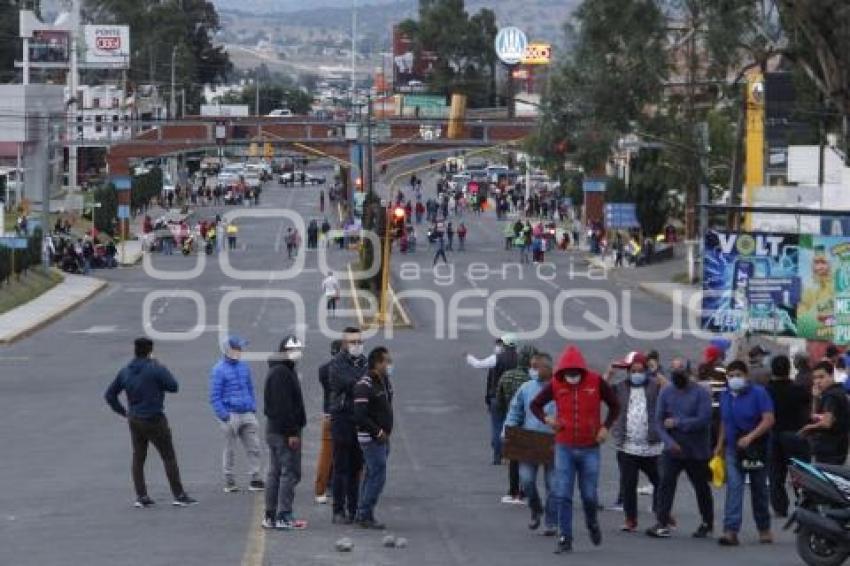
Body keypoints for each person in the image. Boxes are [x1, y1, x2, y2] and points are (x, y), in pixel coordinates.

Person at [531, 345, 620, 554]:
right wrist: (547, 419)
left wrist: (605, 427)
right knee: (563, 494)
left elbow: (615, 406)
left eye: (575, 374)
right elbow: (535, 405)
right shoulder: (555, 384)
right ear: (562, 372)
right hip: (564, 447)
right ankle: (565, 537)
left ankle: (592, 523)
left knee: (589, 495)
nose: (572, 378)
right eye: (568, 374)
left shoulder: (596, 382)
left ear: (582, 371)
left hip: (590, 448)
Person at [104, 337, 197, 508]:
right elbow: (173, 386)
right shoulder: (155, 368)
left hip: (134, 419)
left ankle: (142, 496)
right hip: (154, 418)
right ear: (150, 351)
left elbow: (110, 395)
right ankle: (179, 495)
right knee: (168, 456)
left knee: (138, 457)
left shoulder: (125, 371)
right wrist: (161, 367)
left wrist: (124, 412)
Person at [645, 368, 714, 539]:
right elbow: (659, 422)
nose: (679, 388)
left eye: (682, 384)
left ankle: (707, 522)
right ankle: (662, 521)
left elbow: (704, 419)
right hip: (673, 448)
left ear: (689, 378)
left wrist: (677, 423)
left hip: (696, 450)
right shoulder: (667, 391)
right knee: (665, 483)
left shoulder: (701, 393)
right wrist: (669, 442)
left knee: (701, 487)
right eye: (677, 384)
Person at [714, 360, 775, 546]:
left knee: (759, 489)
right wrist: (719, 445)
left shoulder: (759, 393)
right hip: (734, 449)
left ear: (746, 376)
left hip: (756, 449)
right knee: (734, 488)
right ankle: (730, 531)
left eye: (738, 375)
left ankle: (764, 529)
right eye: (731, 376)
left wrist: (750, 437)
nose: (734, 379)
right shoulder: (725, 396)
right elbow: (724, 421)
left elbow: (769, 419)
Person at [502, 352, 558, 535]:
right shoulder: (526, 388)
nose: (531, 370)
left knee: (553, 484)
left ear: (548, 369)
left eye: (536, 366)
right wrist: (507, 431)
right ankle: (535, 508)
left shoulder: (560, 388)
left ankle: (551, 521)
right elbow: (515, 411)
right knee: (526, 480)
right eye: (531, 366)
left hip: (553, 444)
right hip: (529, 442)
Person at [611, 352, 663, 533]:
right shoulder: (620, 387)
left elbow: (671, 389)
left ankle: (662, 515)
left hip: (652, 445)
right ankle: (630, 519)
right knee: (628, 483)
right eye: (633, 371)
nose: (637, 374)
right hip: (627, 445)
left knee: (661, 481)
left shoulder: (655, 386)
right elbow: (600, 388)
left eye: (640, 371)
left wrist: (656, 374)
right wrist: (610, 372)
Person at [209, 336, 264, 493]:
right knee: (230, 449)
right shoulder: (218, 370)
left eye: (240, 349)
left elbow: (250, 387)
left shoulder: (244, 367)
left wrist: (252, 406)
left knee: (254, 446)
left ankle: (255, 478)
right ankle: (229, 480)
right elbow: (214, 396)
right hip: (230, 414)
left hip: (247, 412)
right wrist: (224, 416)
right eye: (237, 349)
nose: (240, 351)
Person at [263, 336, 307, 530]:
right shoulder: (282, 373)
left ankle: (270, 516)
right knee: (289, 473)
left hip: (274, 430)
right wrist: (292, 432)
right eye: (292, 349)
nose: (296, 352)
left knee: (275, 472)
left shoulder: (279, 369)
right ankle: (284, 515)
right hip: (283, 432)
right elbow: (284, 407)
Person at [328, 327, 367, 524]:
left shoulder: (365, 362)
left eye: (359, 341)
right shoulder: (336, 364)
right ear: (344, 344)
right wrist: (362, 383)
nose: (357, 345)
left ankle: (354, 509)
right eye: (352, 342)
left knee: (356, 467)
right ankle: (338, 510)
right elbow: (347, 384)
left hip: (360, 420)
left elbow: (370, 384)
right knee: (341, 467)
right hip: (342, 419)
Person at [353, 346, 395, 529]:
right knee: (378, 476)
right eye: (386, 361)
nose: (389, 364)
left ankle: (362, 512)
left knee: (371, 474)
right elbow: (360, 415)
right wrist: (377, 432)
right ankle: (365, 514)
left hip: (381, 438)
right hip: (372, 439)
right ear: (377, 363)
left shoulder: (383, 381)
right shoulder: (365, 384)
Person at [765, 354, 811, 517]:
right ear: (788, 369)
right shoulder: (797, 389)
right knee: (800, 473)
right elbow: (808, 405)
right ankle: (805, 503)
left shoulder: (767, 391)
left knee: (775, 474)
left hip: (774, 434)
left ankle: (779, 507)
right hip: (795, 434)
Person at [466, 335, 519, 466]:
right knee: (513, 426)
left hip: (497, 397)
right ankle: (512, 455)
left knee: (497, 426)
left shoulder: (496, 358)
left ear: (504, 345)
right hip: (516, 399)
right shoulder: (521, 359)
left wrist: (468, 357)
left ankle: (497, 457)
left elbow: (478, 364)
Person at [496, 345, 537, 505]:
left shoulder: (506, 376)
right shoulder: (531, 381)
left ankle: (512, 491)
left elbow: (499, 402)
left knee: (513, 460)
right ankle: (524, 491)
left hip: (511, 422)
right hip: (528, 424)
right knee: (527, 460)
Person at [801, 361, 849, 465]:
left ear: (831, 376)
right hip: (835, 448)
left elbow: (826, 423)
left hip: (830, 449)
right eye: (815, 378)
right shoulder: (835, 392)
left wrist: (808, 428)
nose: (817, 381)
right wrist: (815, 398)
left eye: (821, 377)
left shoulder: (831, 396)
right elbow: (815, 417)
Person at [315, 340, 343, 504]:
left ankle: (325, 484)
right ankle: (336, 483)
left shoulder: (323, 369)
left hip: (327, 413)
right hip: (341, 414)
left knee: (326, 453)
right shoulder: (344, 370)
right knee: (340, 451)